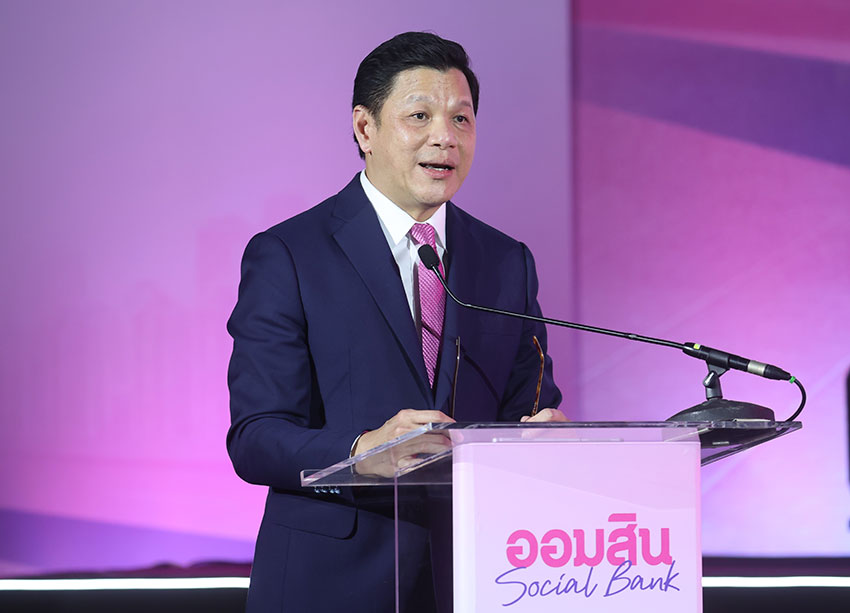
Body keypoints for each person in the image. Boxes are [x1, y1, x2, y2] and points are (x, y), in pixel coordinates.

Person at [227, 31, 565, 612]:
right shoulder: (289, 254)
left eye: (461, 119)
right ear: (365, 128)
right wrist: (362, 451)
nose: (445, 136)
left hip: (475, 578)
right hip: (330, 583)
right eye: (420, 115)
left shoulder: (506, 261)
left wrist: (541, 436)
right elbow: (255, 437)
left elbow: (527, 409)